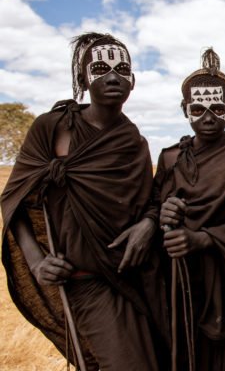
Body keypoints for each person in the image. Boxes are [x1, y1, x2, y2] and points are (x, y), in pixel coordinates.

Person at [1, 32, 168, 370]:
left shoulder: (134, 142)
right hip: (84, 280)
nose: (113, 77)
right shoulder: (54, 127)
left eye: (122, 69)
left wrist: (149, 225)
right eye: (101, 68)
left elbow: (149, 199)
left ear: (133, 81)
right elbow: (13, 198)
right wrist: (36, 262)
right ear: (83, 77)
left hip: (133, 279)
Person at [155, 48, 225, 371]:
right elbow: (152, 208)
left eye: (217, 108)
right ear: (185, 109)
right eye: (198, 108)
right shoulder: (171, 158)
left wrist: (205, 239)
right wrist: (164, 215)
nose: (208, 116)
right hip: (181, 279)